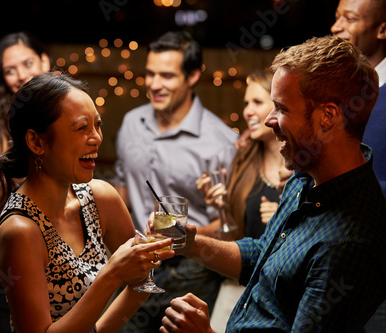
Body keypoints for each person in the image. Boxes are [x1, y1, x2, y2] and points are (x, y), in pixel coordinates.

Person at [159, 35, 386, 332]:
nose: (268, 119)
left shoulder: (348, 245)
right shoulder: (305, 176)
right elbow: (262, 256)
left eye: (281, 108)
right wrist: (189, 243)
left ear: (327, 116)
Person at [0, 72, 174, 332]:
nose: (96, 138)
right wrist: (111, 275)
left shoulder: (100, 199)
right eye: (82, 128)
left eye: (97, 125)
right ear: (36, 142)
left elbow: (140, 282)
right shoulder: (21, 230)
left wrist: (148, 253)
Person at [115, 30, 238, 332]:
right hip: (137, 265)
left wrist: (176, 235)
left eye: (167, 76)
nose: (155, 85)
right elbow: (123, 188)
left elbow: (231, 225)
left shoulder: (221, 142)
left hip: (191, 271)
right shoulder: (132, 123)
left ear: (193, 76)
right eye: (150, 74)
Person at [0, 31, 51, 333]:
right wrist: (7, 183)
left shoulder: (66, 121)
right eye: (9, 70)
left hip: (56, 257)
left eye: (28, 63)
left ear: (44, 60)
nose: (20, 76)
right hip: (1, 262)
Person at [195, 69, 286, 332]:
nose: (247, 111)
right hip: (241, 286)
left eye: (257, 102)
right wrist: (222, 209)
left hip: (283, 290)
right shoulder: (244, 162)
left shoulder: (301, 164)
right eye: (246, 103)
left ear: (279, 104)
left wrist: (284, 214)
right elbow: (235, 237)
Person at [331, 3, 386, 330]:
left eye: (349, 19)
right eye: (337, 16)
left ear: (382, 30)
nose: (336, 26)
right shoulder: (333, 92)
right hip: (330, 272)